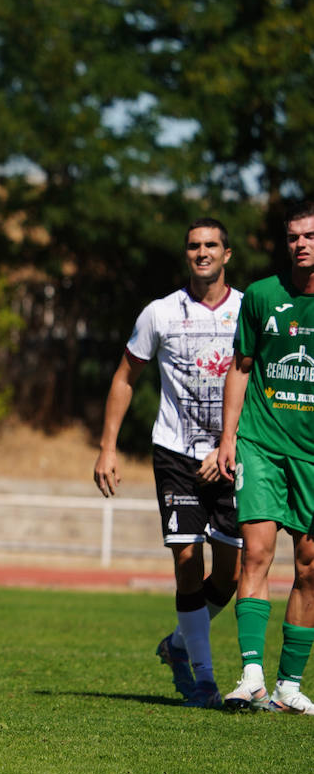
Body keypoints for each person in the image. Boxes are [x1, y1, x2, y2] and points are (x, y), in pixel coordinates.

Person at [92, 218, 242, 708]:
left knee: (232, 574)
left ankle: (178, 644)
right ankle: (204, 679)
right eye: (195, 246)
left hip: (231, 454)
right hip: (175, 452)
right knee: (185, 556)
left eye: (211, 246)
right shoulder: (159, 313)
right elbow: (124, 377)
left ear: (227, 254)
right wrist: (108, 446)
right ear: (187, 255)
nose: (203, 253)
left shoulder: (247, 310)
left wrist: (231, 444)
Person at [218, 200, 314, 714]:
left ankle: (288, 687)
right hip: (261, 443)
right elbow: (241, 366)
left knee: (310, 567)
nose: (301, 243)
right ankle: (251, 676)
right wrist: (228, 436)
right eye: (294, 236)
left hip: (312, 458)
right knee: (255, 552)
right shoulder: (260, 296)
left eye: (310, 235)